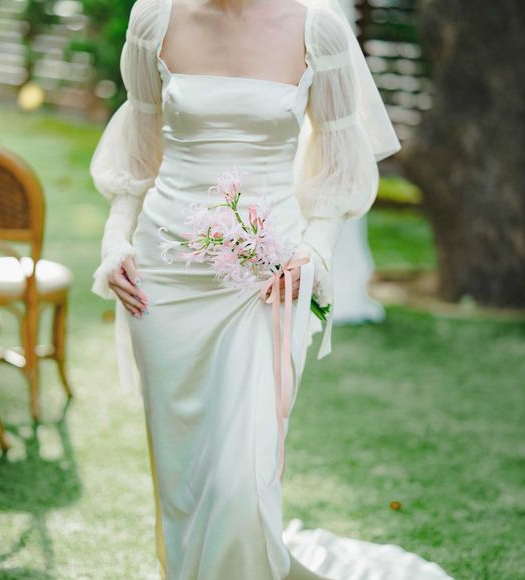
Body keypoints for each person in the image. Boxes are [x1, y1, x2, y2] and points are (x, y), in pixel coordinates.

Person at [90, 0, 453, 578]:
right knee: (180, 480)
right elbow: (138, 152)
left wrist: (315, 252)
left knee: (242, 478)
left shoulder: (318, 29)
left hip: (267, 282)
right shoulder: (153, 18)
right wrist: (116, 244)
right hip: (165, 280)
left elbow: (338, 169)